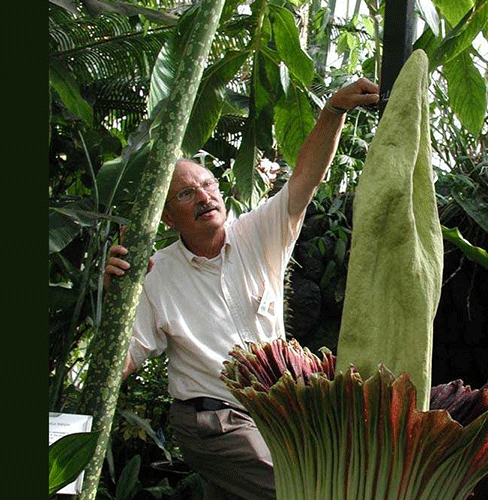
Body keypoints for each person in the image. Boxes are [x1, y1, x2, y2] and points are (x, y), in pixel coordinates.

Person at [105, 78, 379, 500]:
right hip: (214, 420)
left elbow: (305, 178)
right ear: (166, 219)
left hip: (277, 413)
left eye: (207, 184)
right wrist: (111, 301)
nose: (203, 196)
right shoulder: (156, 275)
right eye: (185, 193)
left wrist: (333, 111)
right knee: (301, 490)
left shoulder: (257, 234)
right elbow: (122, 360)